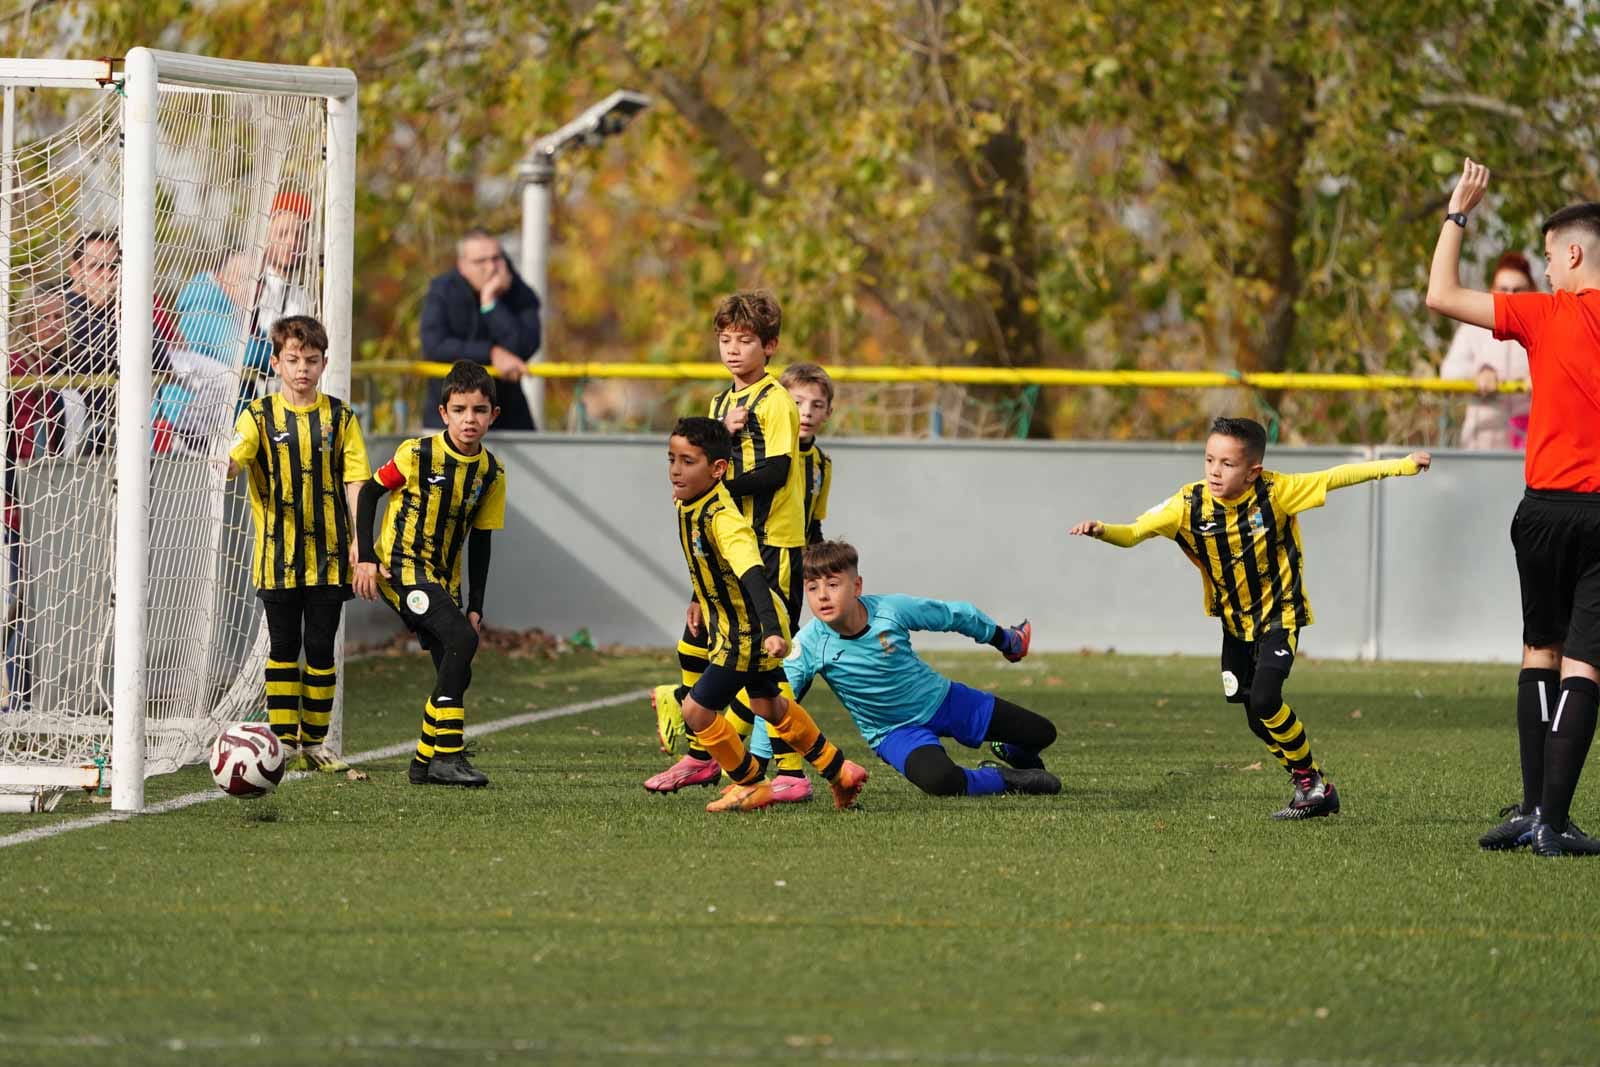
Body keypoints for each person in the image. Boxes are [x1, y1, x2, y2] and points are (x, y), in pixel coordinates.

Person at [1070, 416, 1431, 819]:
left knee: (1266, 699)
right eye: (1209, 460)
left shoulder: (1277, 492)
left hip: (1281, 616)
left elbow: (1336, 476)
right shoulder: (1187, 504)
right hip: (1234, 625)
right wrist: (1103, 530)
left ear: (1252, 471)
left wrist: (1400, 464)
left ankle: (1311, 785)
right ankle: (1312, 786)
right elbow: (1135, 532)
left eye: (1227, 464)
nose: (1214, 471)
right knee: (1256, 720)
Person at [1426, 159, 1600, 857]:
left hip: (1543, 509)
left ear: (1574, 253)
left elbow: (1440, 294)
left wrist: (1457, 214)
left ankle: (1532, 810)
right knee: (1586, 667)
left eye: (1553, 256)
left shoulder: (1544, 313)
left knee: (1539, 651)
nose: (1549, 270)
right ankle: (1554, 823)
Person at [646, 291, 811, 799]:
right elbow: (714, 458)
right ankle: (704, 755)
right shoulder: (721, 404)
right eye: (725, 339)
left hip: (772, 544)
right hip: (729, 545)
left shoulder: (776, 399)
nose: (733, 349)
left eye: (744, 340)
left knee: (766, 662)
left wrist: (715, 492)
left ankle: (788, 773)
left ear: (770, 346)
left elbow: (778, 470)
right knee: (701, 642)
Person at [661, 416, 867, 813]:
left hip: (749, 630)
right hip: (734, 626)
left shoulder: (723, 518)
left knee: (696, 710)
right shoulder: (689, 502)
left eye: (688, 461)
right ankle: (839, 770)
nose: (675, 469)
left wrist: (772, 631)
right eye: (672, 458)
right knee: (770, 706)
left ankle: (751, 783)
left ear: (718, 470)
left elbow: (754, 574)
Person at [780, 540, 1055, 799]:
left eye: (833, 584)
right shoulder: (808, 644)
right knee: (941, 781)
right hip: (893, 732)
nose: (823, 596)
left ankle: (1012, 752)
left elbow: (954, 614)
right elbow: (777, 701)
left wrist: (1003, 639)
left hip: (944, 700)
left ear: (857, 586)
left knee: (1042, 733)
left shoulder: (890, 610)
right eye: (813, 588)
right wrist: (755, 774)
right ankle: (1002, 778)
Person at [226, 316, 370, 773]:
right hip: (277, 556)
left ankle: (316, 743)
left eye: (310, 360)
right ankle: (283, 746)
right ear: (276, 363)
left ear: (324, 363)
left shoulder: (341, 418)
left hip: (329, 557)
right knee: (284, 648)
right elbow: (239, 453)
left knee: (322, 648)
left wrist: (361, 544)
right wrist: (225, 464)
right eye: (292, 360)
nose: (302, 369)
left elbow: (355, 481)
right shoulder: (258, 415)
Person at [354, 360, 507, 787]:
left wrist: (476, 605)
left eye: (478, 410)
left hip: (443, 579)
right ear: (443, 413)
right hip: (401, 569)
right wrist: (366, 557)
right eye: (459, 410)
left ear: (493, 415)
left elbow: (482, 540)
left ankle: (423, 763)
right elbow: (369, 491)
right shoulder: (417, 454)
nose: (469, 420)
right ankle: (448, 757)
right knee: (461, 641)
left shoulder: (491, 472)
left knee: (457, 665)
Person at [742, 361, 836, 790]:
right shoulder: (764, 454)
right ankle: (702, 730)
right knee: (754, 660)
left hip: (792, 564)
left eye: (817, 404)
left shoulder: (821, 463)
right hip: (756, 554)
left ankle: (776, 766)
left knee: (775, 661)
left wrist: (816, 577)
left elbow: (813, 526)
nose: (807, 411)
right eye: (798, 402)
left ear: (828, 412)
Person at [419, 229, 539, 431]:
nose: (491, 267)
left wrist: (491, 305)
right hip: (448, 422)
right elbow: (435, 346)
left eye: (496, 258)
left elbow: (524, 346)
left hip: (508, 421)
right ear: (462, 266)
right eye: (481, 261)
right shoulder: (442, 291)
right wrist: (491, 353)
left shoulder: (520, 293)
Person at [1438, 251, 1534, 450]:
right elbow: (1448, 372)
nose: (1510, 296)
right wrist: (1479, 373)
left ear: (1532, 291)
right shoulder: (1473, 329)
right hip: (1481, 446)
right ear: (1492, 291)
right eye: (1503, 289)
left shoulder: (1542, 328)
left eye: (1518, 290)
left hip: (1530, 447)